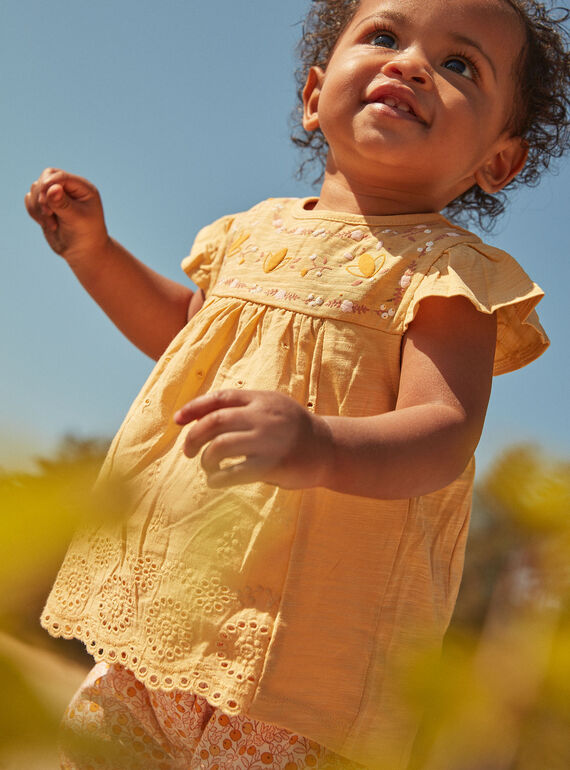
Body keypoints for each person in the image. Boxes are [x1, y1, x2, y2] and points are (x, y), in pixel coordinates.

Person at [25, 0, 570, 768]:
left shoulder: (450, 276)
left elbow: (443, 429)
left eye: (459, 66)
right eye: (383, 36)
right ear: (315, 96)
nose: (410, 64)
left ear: (498, 161)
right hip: (169, 617)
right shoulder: (249, 233)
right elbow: (185, 345)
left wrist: (319, 442)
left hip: (300, 669)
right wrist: (94, 252)